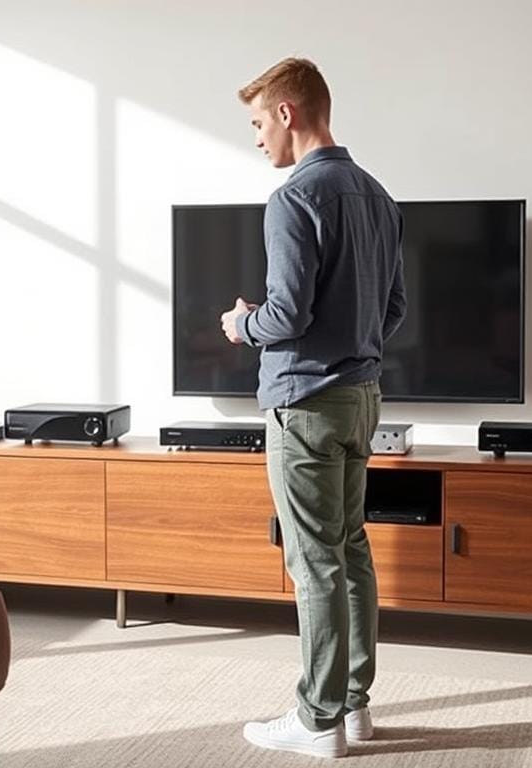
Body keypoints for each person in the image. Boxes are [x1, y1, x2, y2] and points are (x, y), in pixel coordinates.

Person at [220, 57, 406, 759]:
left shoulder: (293, 200)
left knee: (314, 562)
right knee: (350, 547)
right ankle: (354, 705)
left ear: (289, 114)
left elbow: (288, 314)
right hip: (362, 399)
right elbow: (394, 310)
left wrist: (245, 325)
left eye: (259, 121)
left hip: (303, 404)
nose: (258, 137)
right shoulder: (379, 196)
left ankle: (316, 717)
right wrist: (352, 346)